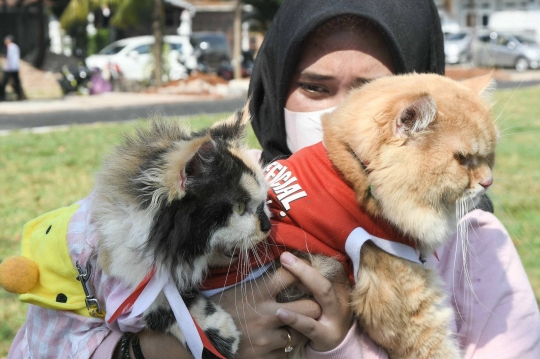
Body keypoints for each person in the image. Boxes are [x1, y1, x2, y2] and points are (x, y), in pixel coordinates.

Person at [7, 1, 540, 358]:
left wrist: (343, 345)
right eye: (314, 86)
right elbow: (42, 341)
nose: (344, 115)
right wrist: (173, 344)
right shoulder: (207, 196)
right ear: (273, 89)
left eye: (371, 93)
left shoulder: (476, 250)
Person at [0, 35, 25, 101]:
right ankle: (20, 96)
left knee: (4, 82)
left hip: (9, 67)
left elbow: (9, 57)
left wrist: (9, 67)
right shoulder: (16, 46)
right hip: (15, 67)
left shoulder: (9, 47)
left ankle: (2, 96)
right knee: (17, 82)